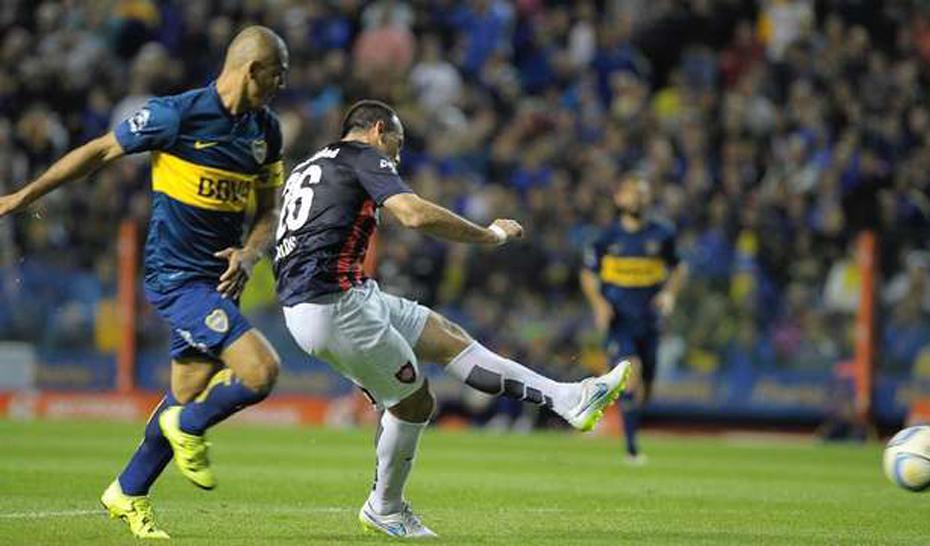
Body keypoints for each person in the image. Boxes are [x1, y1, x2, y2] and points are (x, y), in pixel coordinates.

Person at [274, 100, 630, 538]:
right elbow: (414, 214)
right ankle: (385, 507)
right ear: (378, 130)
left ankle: (568, 398)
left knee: (447, 337)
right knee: (413, 403)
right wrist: (489, 234)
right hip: (332, 304)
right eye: (397, 144)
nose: (397, 157)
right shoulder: (363, 156)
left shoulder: (309, 166)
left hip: (338, 295)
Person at [0, 26, 289, 539]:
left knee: (185, 392)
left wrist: (250, 252)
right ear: (252, 70)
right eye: (278, 74)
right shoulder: (176, 114)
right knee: (261, 371)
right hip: (176, 278)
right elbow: (98, 152)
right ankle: (190, 427)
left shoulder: (266, 131)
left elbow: (269, 210)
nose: (282, 85)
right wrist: (24, 197)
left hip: (221, 284)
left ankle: (128, 491)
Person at [580, 174, 686, 464]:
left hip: (650, 319)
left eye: (641, 193)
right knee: (632, 373)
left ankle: (627, 426)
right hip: (620, 319)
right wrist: (599, 304)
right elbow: (588, 274)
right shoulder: (606, 237)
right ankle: (631, 449)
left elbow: (678, 268)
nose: (636, 198)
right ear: (619, 198)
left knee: (646, 384)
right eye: (631, 193)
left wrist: (669, 294)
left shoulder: (662, 233)